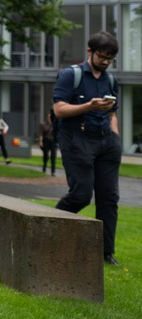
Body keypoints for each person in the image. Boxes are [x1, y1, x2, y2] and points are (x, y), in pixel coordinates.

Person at [52, 32, 122, 265]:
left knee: (109, 198)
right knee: (81, 195)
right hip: (77, 140)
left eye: (109, 58)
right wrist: (88, 106)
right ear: (90, 51)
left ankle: (105, 253)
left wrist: (115, 137)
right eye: (102, 56)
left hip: (106, 142)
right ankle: (50, 227)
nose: (105, 61)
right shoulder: (70, 75)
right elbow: (59, 110)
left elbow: (112, 113)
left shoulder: (110, 80)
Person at [37, 111, 58, 176]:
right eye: (49, 117)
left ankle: (53, 171)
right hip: (46, 141)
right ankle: (44, 167)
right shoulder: (43, 125)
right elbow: (41, 134)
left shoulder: (55, 125)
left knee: (53, 156)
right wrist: (40, 142)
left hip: (53, 141)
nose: (50, 118)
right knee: (45, 155)